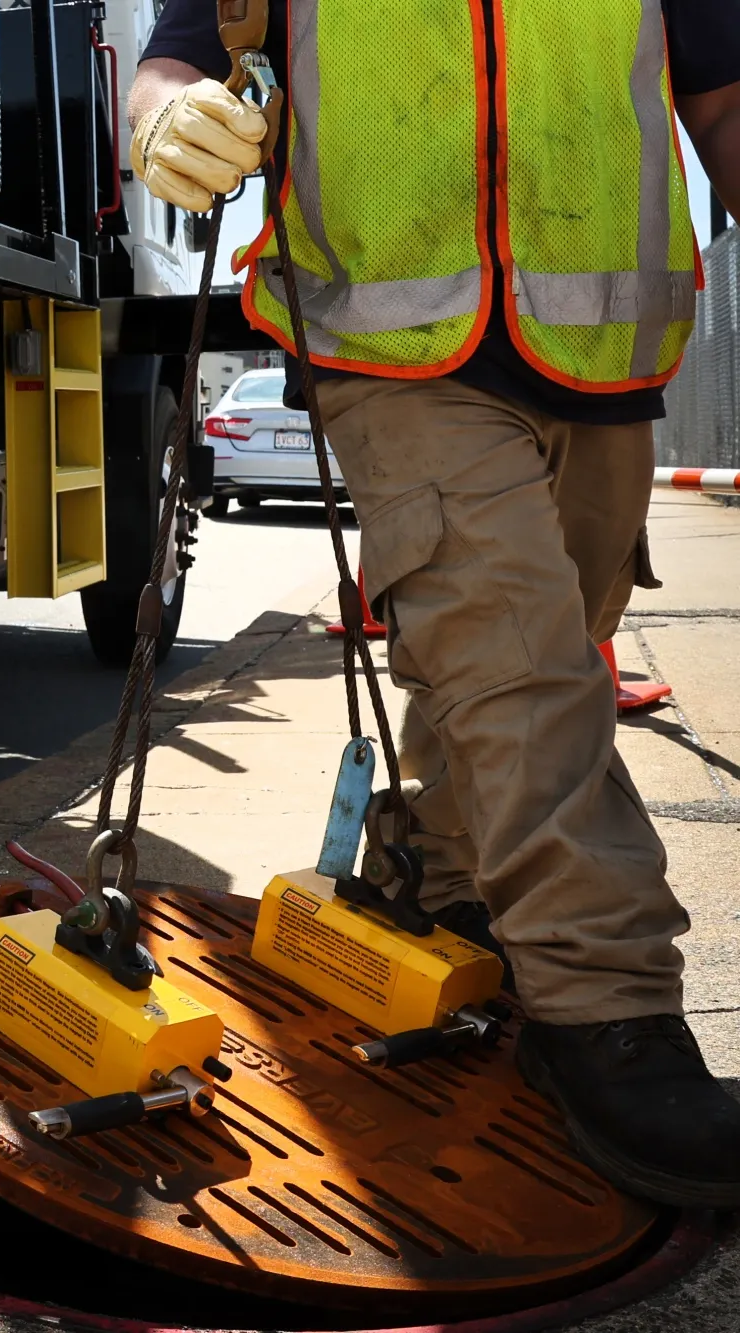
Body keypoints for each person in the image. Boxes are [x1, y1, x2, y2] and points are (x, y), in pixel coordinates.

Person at [126, 0, 740, 1208]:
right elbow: (170, 61)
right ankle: (604, 1009)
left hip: (602, 354)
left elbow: (717, 96)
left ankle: (443, 884)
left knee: (530, 662)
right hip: (393, 349)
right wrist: (161, 124)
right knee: (519, 662)